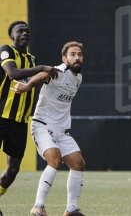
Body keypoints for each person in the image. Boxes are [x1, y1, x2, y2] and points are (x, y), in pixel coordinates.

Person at [12, 41, 86, 216]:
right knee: (54, 159)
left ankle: (71, 209)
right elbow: (43, 74)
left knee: (79, 164)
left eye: (80, 54)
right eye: (73, 54)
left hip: (61, 131)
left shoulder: (78, 78)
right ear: (64, 58)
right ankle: (38, 207)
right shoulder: (58, 71)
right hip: (42, 126)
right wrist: (28, 86)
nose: (77, 57)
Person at [0, 21, 59, 215]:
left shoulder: (32, 60)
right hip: (1, 116)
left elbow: (33, 83)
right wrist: (43, 68)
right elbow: (13, 74)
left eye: (27, 31)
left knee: (14, 170)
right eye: (20, 31)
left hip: (20, 122)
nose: (24, 33)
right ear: (12, 36)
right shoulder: (6, 50)